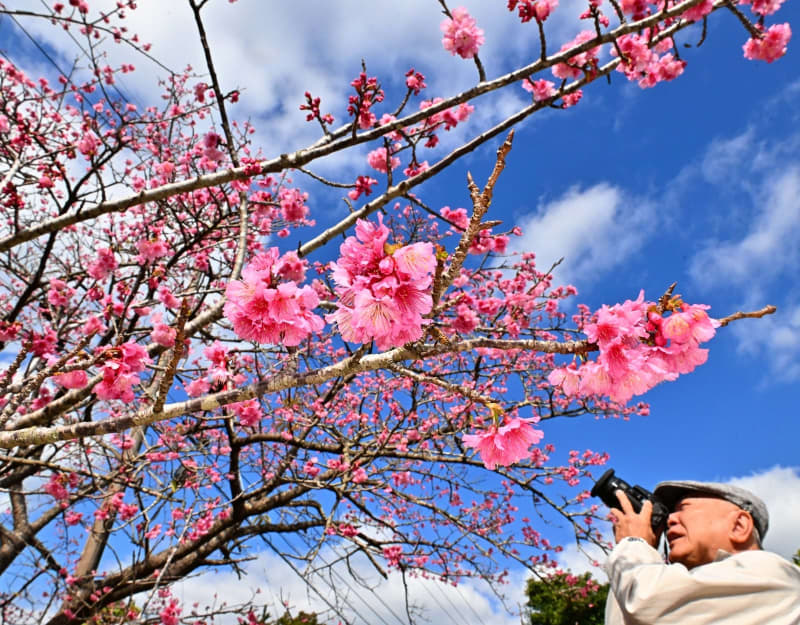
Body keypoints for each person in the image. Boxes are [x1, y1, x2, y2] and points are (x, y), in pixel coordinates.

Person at [604, 479, 800, 624]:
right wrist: (639, 548)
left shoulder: (774, 574)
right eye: (670, 514)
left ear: (739, 525)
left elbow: (645, 603)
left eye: (683, 508)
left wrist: (634, 543)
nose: (670, 520)